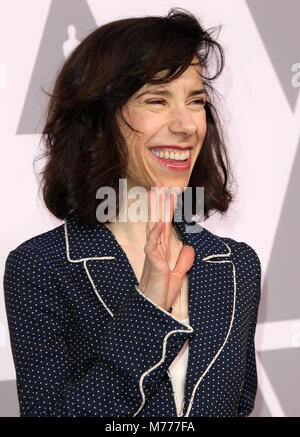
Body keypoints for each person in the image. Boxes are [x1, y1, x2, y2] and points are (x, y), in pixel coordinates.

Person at [3, 8, 261, 417]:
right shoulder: (41, 268)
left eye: (196, 101)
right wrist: (150, 306)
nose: (186, 125)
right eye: (156, 99)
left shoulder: (235, 266)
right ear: (100, 121)